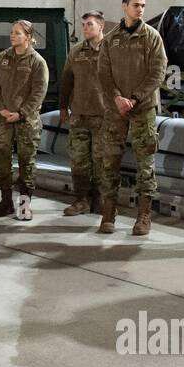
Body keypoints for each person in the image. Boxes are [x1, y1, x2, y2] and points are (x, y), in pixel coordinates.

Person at [97, 0, 168, 235]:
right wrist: (117, 97)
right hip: (116, 110)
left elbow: (158, 72)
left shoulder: (151, 37)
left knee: (145, 163)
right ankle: (108, 214)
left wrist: (135, 98)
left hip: (143, 109)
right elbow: (103, 73)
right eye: (136, 5)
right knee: (110, 161)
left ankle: (144, 216)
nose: (140, 9)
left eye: (143, 6)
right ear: (124, 6)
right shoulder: (110, 38)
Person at [0, 20, 50, 220]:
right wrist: (2, 109)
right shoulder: (2, 58)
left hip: (26, 120)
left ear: (29, 37)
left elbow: (39, 93)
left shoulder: (37, 62)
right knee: (1, 158)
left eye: (18, 33)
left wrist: (21, 113)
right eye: (12, 32)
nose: (12, 36)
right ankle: (5, 201)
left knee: (27, 162)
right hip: (3, 118)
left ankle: (24, 206)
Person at [59, 11, 107, 217]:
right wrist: (63, 107)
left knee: (102, 162)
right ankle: (81, 200)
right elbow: (67, 80)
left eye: (89, 24)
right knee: (79, 161)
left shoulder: (111, 52)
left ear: (101, 26)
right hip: (79, 115)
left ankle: (102, 201)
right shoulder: (76, 52)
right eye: (84, 25)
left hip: (104, 116)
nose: (85, 28)